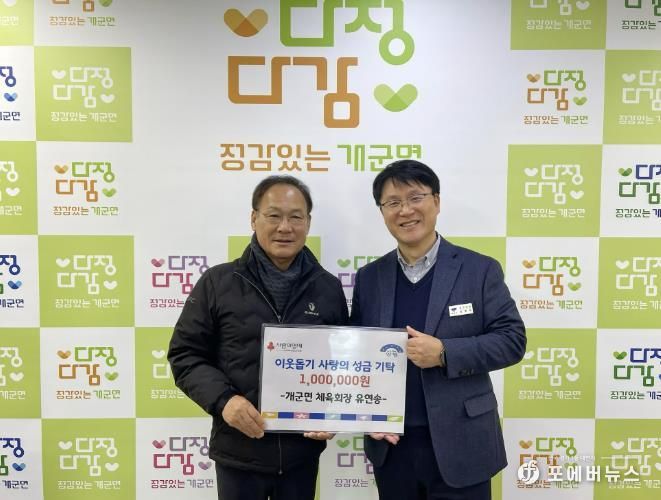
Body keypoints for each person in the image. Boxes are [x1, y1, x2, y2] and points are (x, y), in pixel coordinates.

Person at [350, 160, 526, 500]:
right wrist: (364, 414)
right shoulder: (370, 277)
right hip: (392, 447)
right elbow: (357, 353)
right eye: (393, 202)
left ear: (437, 202)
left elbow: (512, 340)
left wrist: (445, 353)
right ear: (382, 212)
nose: (405, 210)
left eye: (415, 197)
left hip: (463, 443)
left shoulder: (479, 270)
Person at [168, 175, 348, 500]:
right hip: (238, 451)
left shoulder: (328, 288)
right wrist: (225, 401)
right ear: (254, 218)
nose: (285, 227)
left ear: (308, 223)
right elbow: (185, 355)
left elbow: (343, 365)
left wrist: (333, 411)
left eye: (296, 217)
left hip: (301, 455)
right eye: (274, 215)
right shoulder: (218, 282)